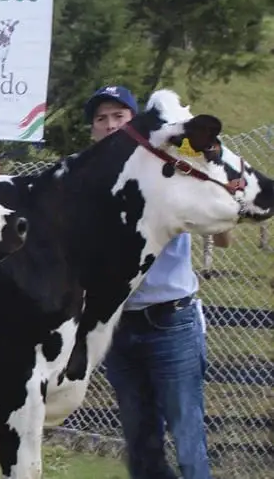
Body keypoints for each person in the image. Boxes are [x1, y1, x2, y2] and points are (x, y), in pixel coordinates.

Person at [90, 84, 228, 479]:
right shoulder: (86, 184)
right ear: (93, 131)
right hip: (118, 325)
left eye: (120, 116)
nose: (110, 124)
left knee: (187, 436)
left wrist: (209, 175)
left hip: (172, 323)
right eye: (101, 119)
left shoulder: (173, 170)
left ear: (137, 124)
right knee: (140, 441)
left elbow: (223, 236)